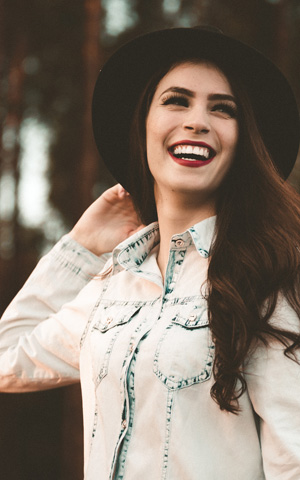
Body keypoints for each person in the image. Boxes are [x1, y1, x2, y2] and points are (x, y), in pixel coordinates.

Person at [0, 26, 300, 479]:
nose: (198, 120)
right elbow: (7, 360)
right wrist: (80, 247)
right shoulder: (111, 287)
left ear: (243, 142)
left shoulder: (269, 277)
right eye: (177, 100)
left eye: (223, 109)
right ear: (142, 125)